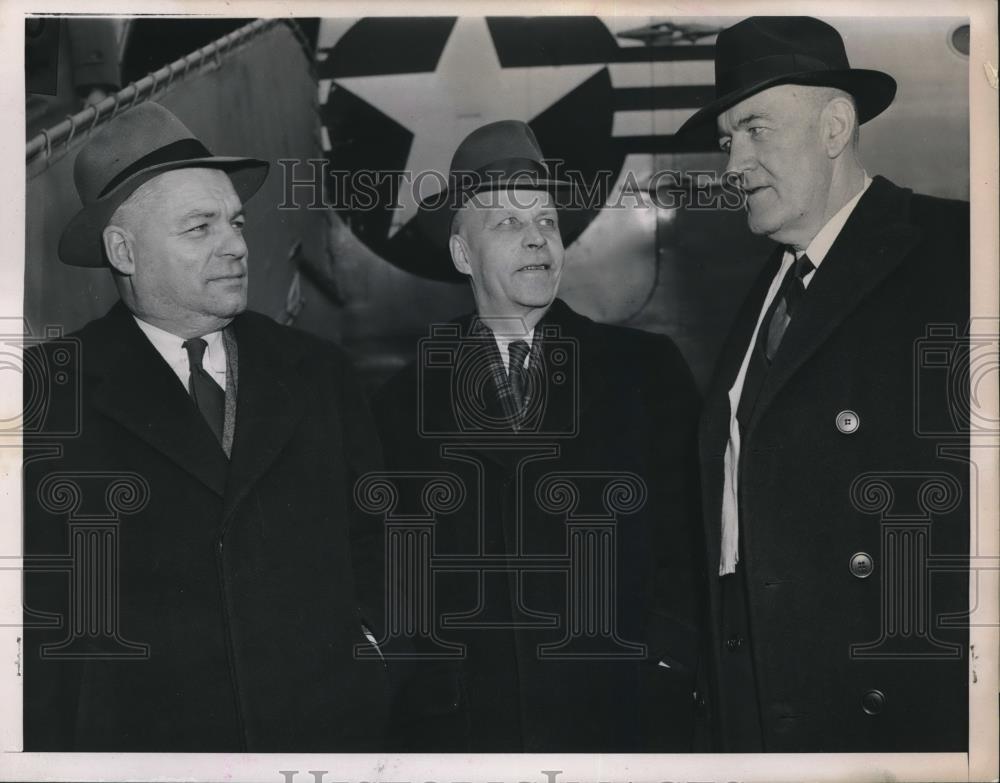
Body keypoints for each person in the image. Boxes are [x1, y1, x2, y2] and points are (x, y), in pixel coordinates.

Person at [22, 102, 390, 751]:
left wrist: (370, 655)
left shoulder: (317, 373)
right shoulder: (45, 397)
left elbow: (381, 545)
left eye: (236, 221)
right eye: (201, 227)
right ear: (123, 250)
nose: (237, 245)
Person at [677, 17, 969, 752]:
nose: (731, 164)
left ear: (835, 126)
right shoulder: (766, 293)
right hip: (765, 694)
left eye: (753, 129)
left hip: (890, 705)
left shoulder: (952, 254)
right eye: (725, 140)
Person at [373, 120, 705, 751]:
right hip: (476, 734)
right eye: (506, 225)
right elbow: (392, 572)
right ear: (463, 254)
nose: (536, 242)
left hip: (624, 720)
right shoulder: (402, 402)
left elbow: (692, 535)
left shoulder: (645, 369)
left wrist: (668, 660)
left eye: (546, 223)